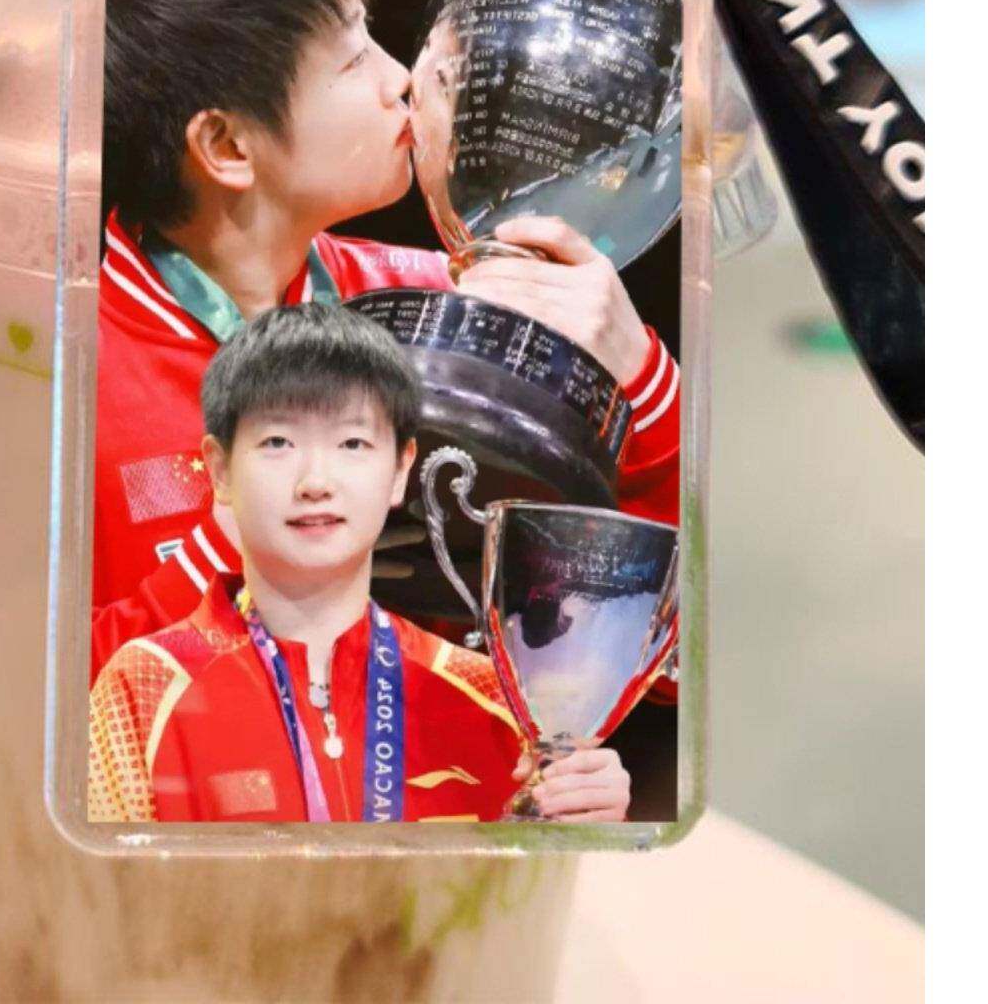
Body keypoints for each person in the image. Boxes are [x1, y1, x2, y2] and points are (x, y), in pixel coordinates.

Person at [91, 0, 681, 679]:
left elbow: (655, 669)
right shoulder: (64, 372)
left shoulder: (453, 311)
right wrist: (239, 543)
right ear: (227, 146)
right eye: (350, 58)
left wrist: (644, 386)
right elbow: (38, 700)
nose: (401, 77)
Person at [88, 304, 631, 824]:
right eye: (277, 441)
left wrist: (592, 826)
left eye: (352, 443)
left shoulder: (499, 699)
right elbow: (99, 889)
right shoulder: (145, 686)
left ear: (400, 470)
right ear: (220, 470)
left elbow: (541, 884)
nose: (315, 482)